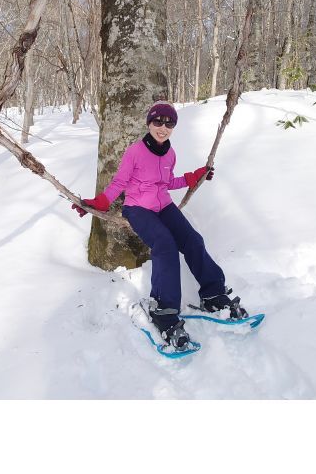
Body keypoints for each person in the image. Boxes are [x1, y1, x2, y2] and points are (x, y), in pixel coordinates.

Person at [72, 101, 248, 350]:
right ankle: (163, 310)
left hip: (163, 205)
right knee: (164, 244)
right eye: (158, 122)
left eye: (169, 123)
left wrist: (191, 177)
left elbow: (166, 183)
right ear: (149, 123)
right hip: (137, 208)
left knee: (193, 239)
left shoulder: (170, 153)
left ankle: (213, 293)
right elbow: (118, 183)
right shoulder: (135, 152)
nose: (163, 128)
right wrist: (99, 203)